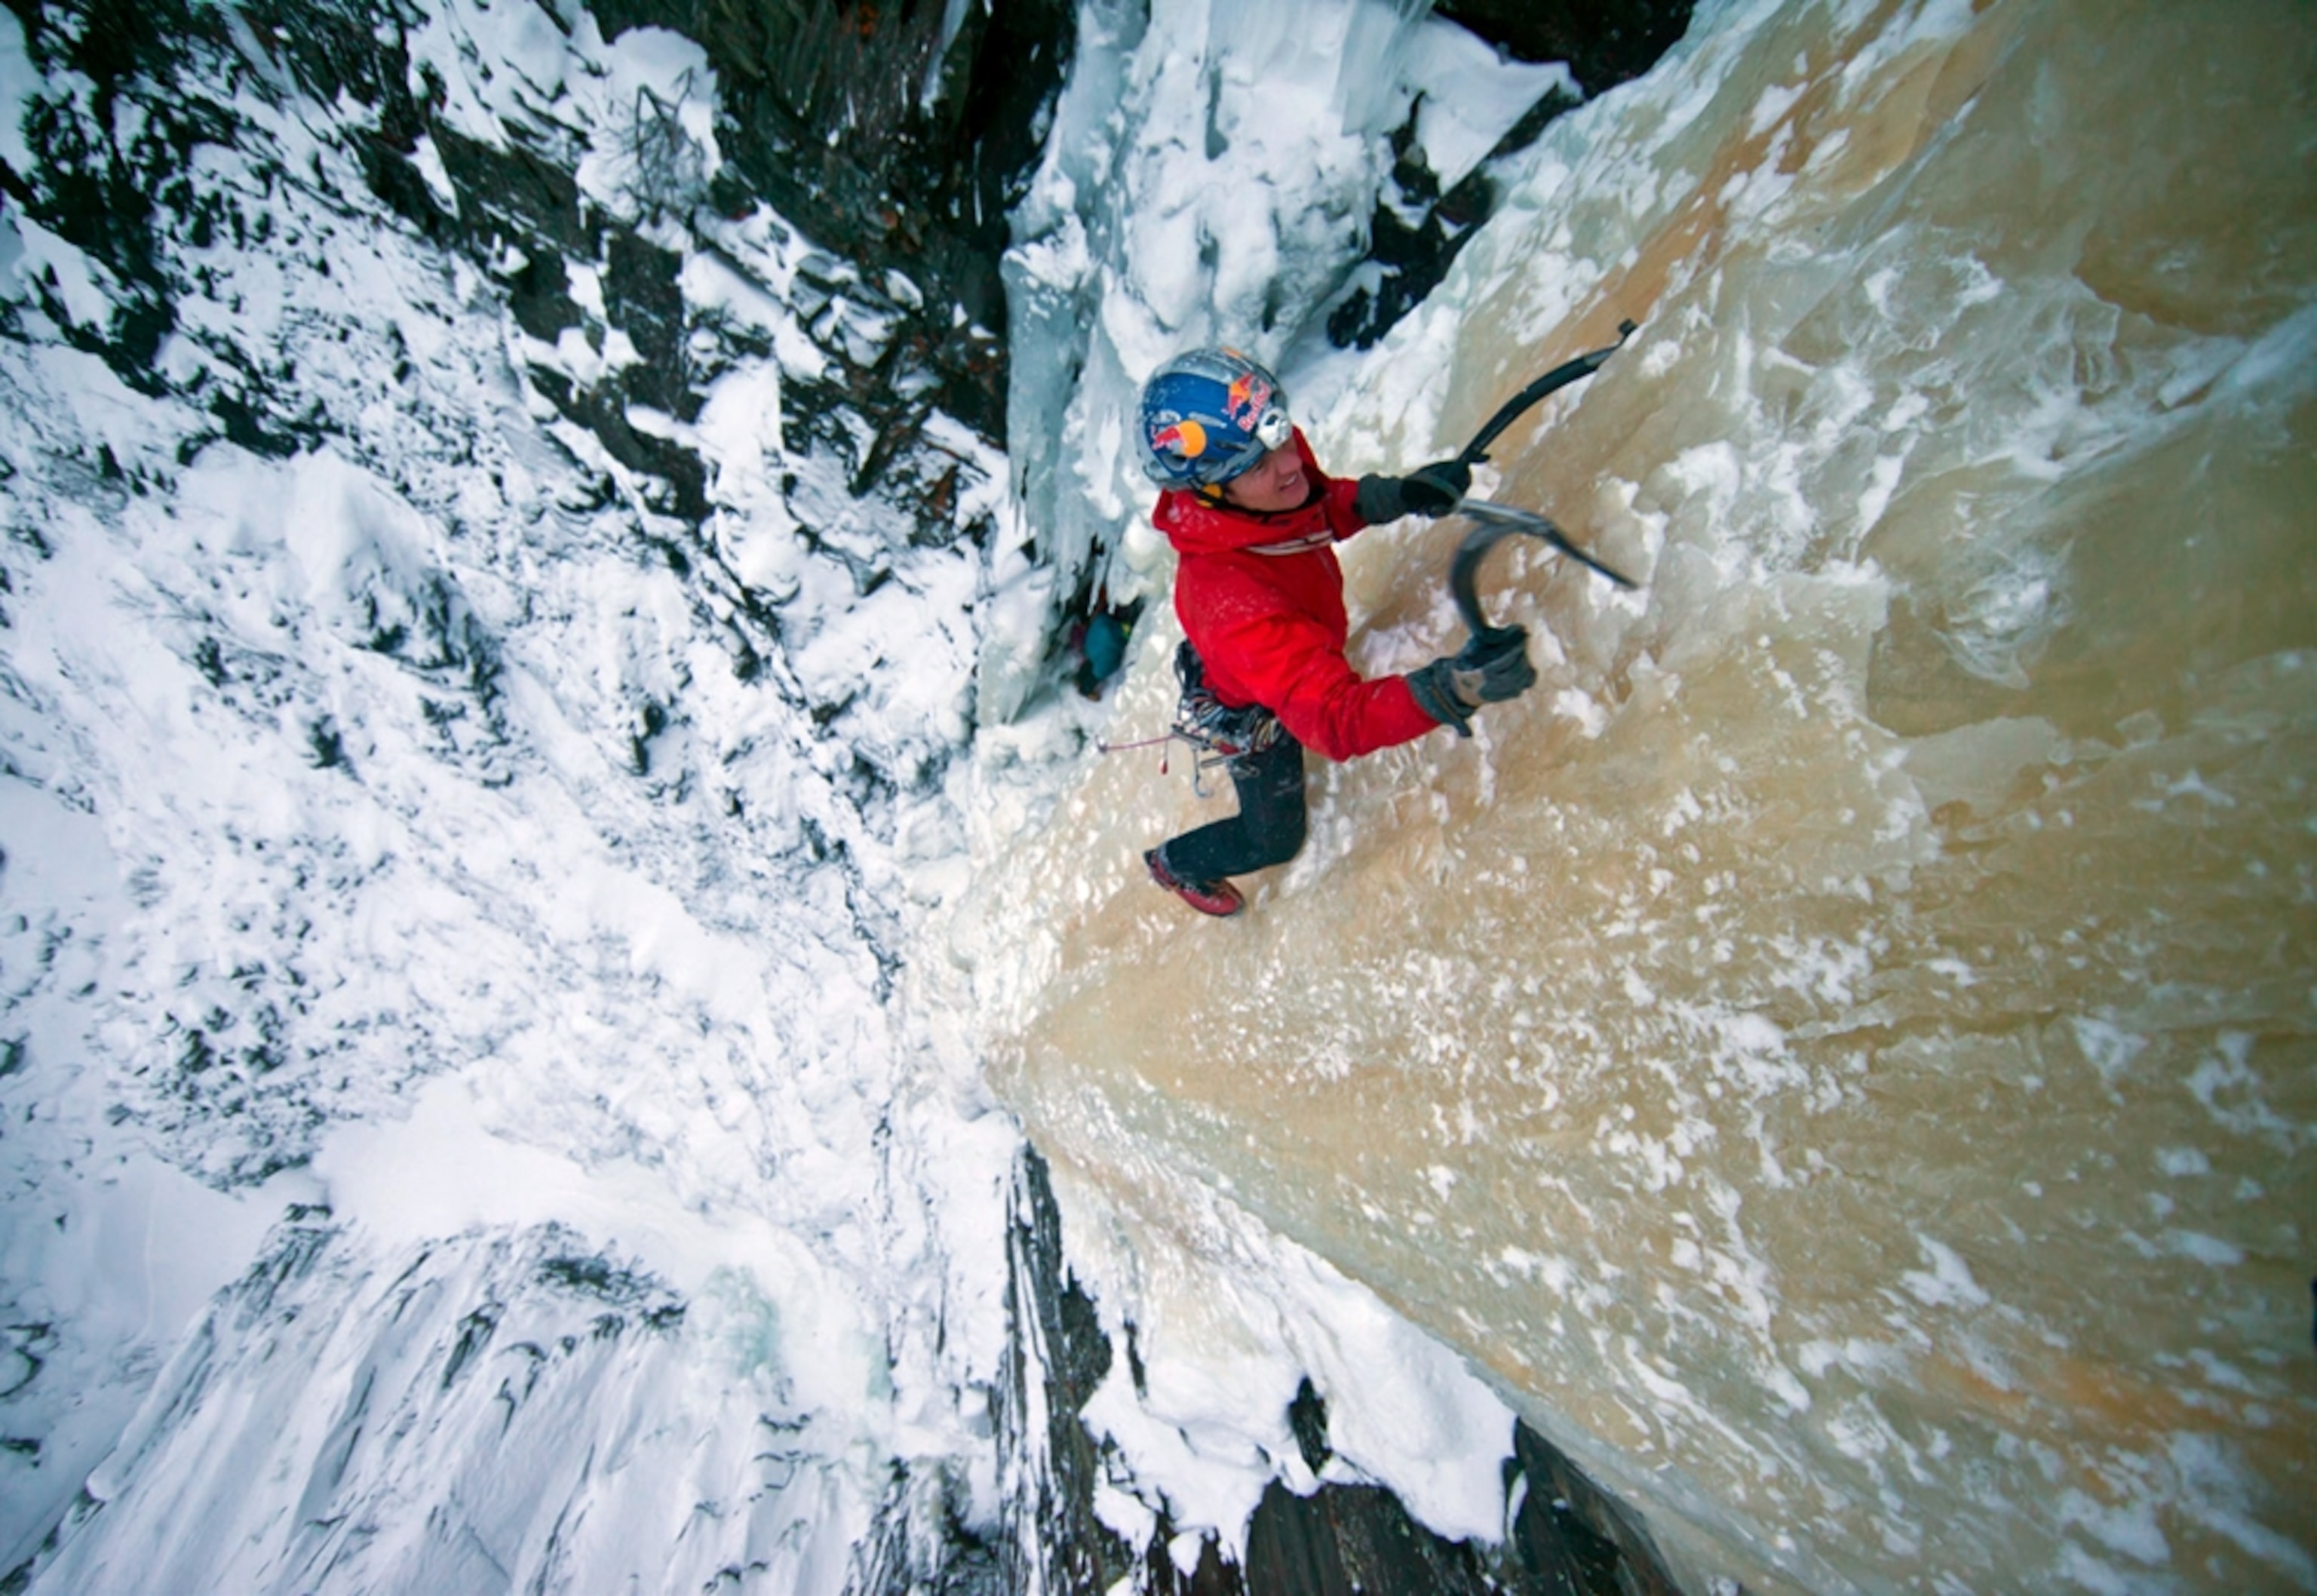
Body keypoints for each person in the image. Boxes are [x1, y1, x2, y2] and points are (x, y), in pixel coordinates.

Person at [1137, 347, 1538, 917]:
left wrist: (1398, 495)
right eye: (1258, 465)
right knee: (1274, 839)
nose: (1287, 462)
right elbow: (1334, 721)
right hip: (1247, 705)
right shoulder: (1233, 604)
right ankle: (1174, 863)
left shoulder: (1260, 464)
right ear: (1209, 490)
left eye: (1279, 440)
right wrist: (1455, 688)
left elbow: (1313, 509)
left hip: (1273, 648)